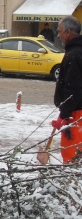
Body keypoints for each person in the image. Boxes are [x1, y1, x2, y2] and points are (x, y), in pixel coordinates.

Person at [51, 15, 82, 163]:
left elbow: (73, 89)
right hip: (75, 113)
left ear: (68, 32)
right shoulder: (77, 51)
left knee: (72, 157)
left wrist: (63, 115)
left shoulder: (74, 55)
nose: (58, 35)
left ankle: (72, 185)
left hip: (75, 115)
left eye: (59, 31)